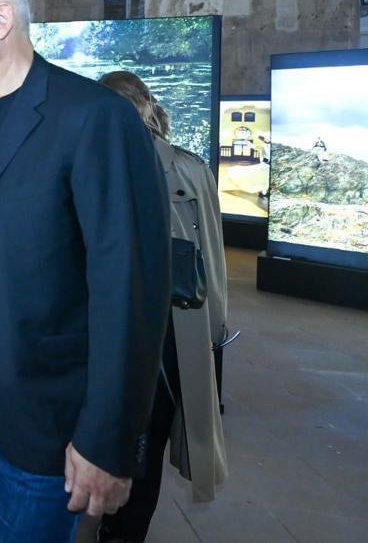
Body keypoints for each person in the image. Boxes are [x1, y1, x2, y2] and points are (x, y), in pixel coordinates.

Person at [0, 0, 171, 541]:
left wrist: (107, 439)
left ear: (1, 19)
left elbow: (129, 288)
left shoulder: (95, 118)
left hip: (48, 393)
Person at [96, 71, 228, 543]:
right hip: (106, 329)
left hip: (166, 330)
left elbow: (210, 258)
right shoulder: (92, 162)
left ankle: (122, 533)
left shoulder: (188, 170)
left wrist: (213, 337)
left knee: (144, 441)